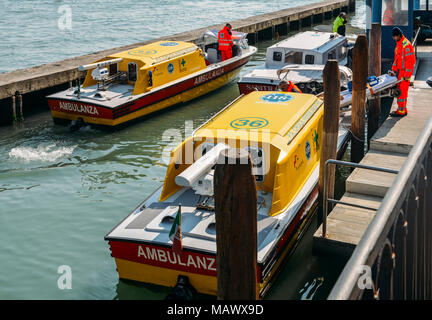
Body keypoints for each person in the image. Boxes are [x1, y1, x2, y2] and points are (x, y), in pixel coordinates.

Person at [388, 27, 416, 117]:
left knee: (402, 94)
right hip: (400, 73)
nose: (393, 39)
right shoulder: (399, 44)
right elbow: (397, 60)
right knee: (400, 92)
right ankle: (402, 109)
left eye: (394, 37)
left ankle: (401, 112)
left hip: (405, 74)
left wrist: (407, 75)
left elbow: (410, 61)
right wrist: (393, 70)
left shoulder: (406, 45)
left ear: (399, 36)